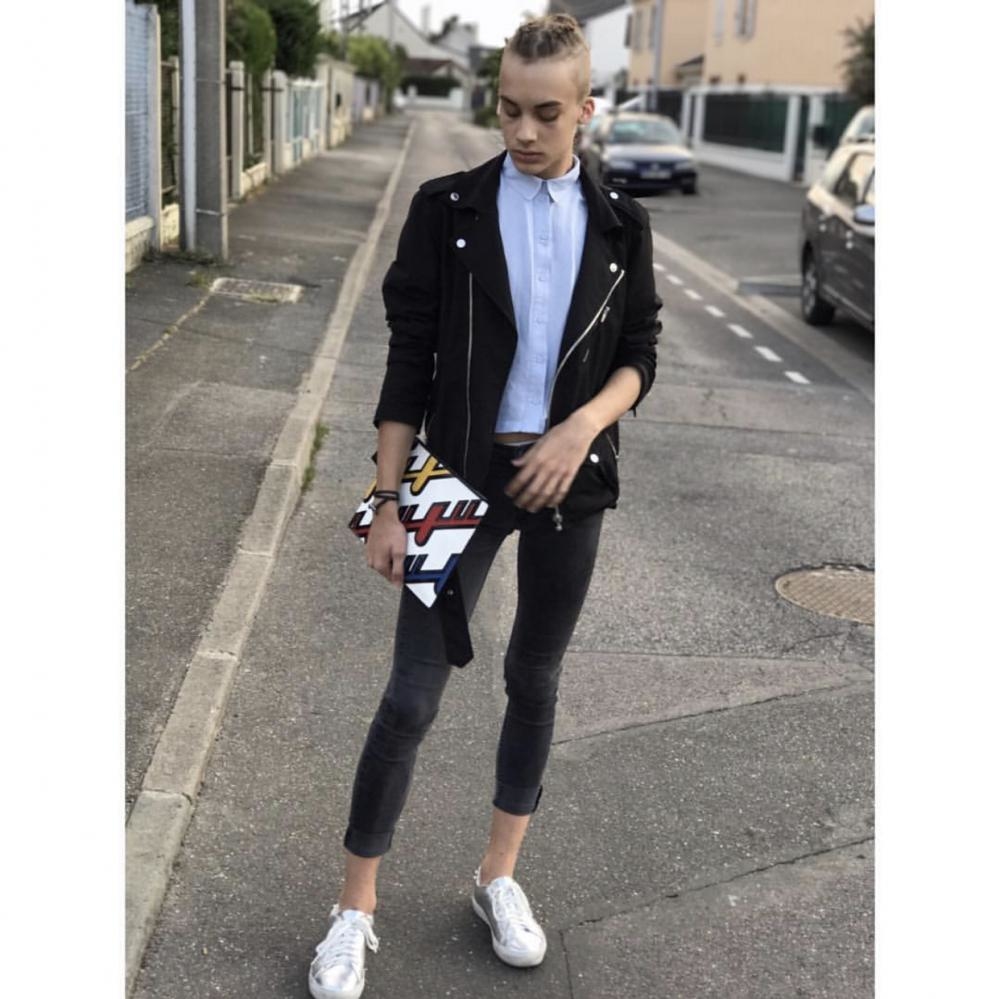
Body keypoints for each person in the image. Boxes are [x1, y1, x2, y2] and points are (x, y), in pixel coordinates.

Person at [308, 14, 661, 999]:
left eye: (545, 112)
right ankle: (353, 909)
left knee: (534, 681)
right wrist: (387, 500)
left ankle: (497, 879)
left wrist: (579, 427)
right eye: (508, 109)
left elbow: (641, 354)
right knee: (409, 697)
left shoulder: (621, 222)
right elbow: (408, 360)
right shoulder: (448, 209)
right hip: (453, 477)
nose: (523, 130)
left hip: (568, 483)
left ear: (586, 108)